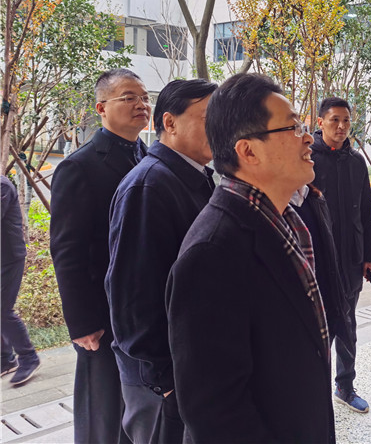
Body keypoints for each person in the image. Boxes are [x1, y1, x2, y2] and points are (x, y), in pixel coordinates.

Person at [166, 73, 334, 443]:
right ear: (248, 151)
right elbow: (215, 412)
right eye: (293, 127)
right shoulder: (212, 252)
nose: (308, 137)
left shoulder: (284, 221)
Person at [106, 79, 217, 444]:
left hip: (187, 367)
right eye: (209, 118)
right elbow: (132, 297)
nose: (220, 129)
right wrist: (164, 380)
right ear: (170, 123)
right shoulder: (149, 186)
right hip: (161, 380)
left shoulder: (194, 178)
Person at [51, 68, 150, 444]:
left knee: (138, 410)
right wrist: (82, 323)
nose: (141, 104)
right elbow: (67, 249)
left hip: (141, 310)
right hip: (103, 314)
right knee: (103, 412)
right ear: (101, 108)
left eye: (144, 97)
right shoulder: (80, 166)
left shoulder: (148, 156)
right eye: (129, 97)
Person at [311, 97, 371, 413]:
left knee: (348, 325)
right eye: (334, 119)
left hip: (351, 258)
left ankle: (345, 386)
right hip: (317, 259)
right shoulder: (307, 158)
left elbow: (366, 211)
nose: (341, 126)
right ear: (320, 122)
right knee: (318, 328)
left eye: (346, 120)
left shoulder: (356, 162)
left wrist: (368, 256)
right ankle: (313, 389)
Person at [290, 183, 347, 334]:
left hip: (325, 297)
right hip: (297, 311)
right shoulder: (272, 206)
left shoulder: (314, 197)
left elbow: (327, 251)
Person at [1, 176, 40, 386]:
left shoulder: (2, 186)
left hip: (9, 257)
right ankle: (5, 360)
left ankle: (29, 357)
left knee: (2, 309)